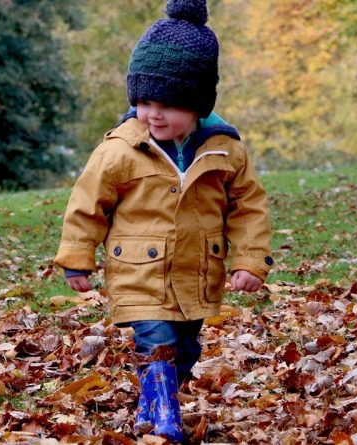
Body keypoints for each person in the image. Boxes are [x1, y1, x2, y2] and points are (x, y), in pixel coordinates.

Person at [53, 0, 273, 441]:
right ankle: (167, 420)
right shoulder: (121, 149)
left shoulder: (225, 150)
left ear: (197, 104)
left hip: (196, 275)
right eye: (145, 100)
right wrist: (78, 256)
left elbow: (248, 206)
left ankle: (150, 406)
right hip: (138, 271)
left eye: (169, 103)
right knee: (157, 343)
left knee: (187, 348)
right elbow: (87, 201)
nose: (154, 113)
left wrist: (249, 260)